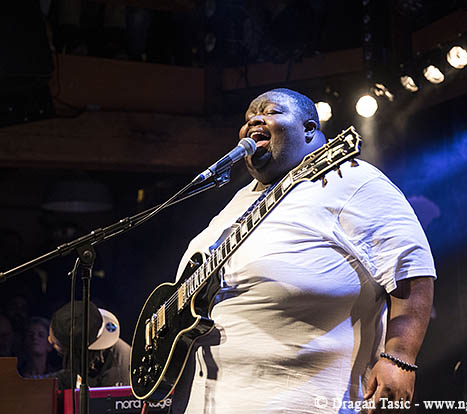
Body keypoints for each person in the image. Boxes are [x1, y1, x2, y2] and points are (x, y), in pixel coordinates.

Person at [172, 88, 436, 414]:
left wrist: (400, 358)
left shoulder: (350, 179)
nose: (254, 120)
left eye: (271, 112)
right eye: (249, 116)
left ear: (309, 129)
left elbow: (411, 268)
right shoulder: (239, 201)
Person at [48, 301, 131, 389]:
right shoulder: (88, 356)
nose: (49, 340)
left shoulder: (118, 369)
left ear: (80, 351)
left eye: (55, 344)